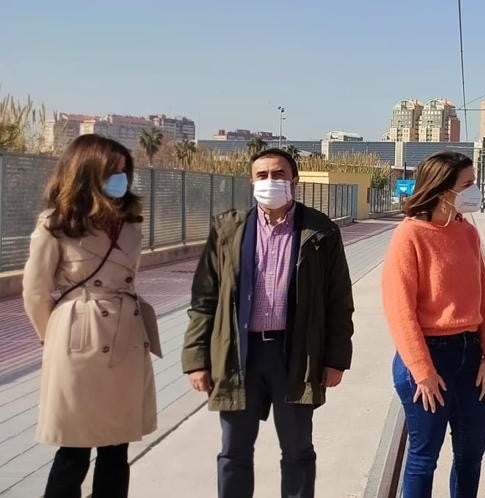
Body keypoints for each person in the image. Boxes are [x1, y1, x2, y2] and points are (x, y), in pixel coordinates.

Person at [182, 148, 355, 498]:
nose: (270, 182)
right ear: (251, 181)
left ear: (295, 180)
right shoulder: (228, 229)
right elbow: (204, 299)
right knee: (234, 452)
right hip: (239, 356)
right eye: (262, 176)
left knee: (297, 451)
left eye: (278, 175)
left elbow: (339, 303)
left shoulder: (319, 231)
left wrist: (336, 360)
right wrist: (196, 360)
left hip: (295, 356)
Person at [22, 134, 159, 498]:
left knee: (117, 448)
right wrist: (53, 338)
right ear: (86, 173)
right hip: (78, 339)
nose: (121, 178)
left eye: (124, 171)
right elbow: (35, 292)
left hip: (126, 338)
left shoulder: (130, 223)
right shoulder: (55, 223)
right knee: (74, 449)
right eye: (111, 171)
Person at [381, 151, 485, 498]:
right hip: (429, 359)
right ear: (443, 190)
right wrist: (422, 371)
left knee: (471, 454)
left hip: (470, 356)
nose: (475, 191)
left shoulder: (468, 233)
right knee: (423, 458)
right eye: (468, 184)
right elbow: (399, 309)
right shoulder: (410, 235)